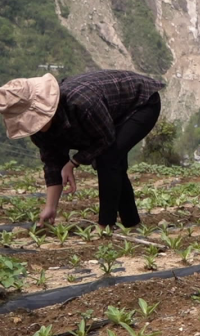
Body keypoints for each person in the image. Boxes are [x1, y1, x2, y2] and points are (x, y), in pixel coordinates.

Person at [0, 70, 164, 229]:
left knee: (108, 158)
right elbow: (53, 163)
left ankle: (105, 224)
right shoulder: (40, 132)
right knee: (114, 163)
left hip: (141, 103)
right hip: (109, 114)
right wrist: (50, 207)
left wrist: (74, 162)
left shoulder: (81, 103)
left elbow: (105, 139)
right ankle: (132, 223)